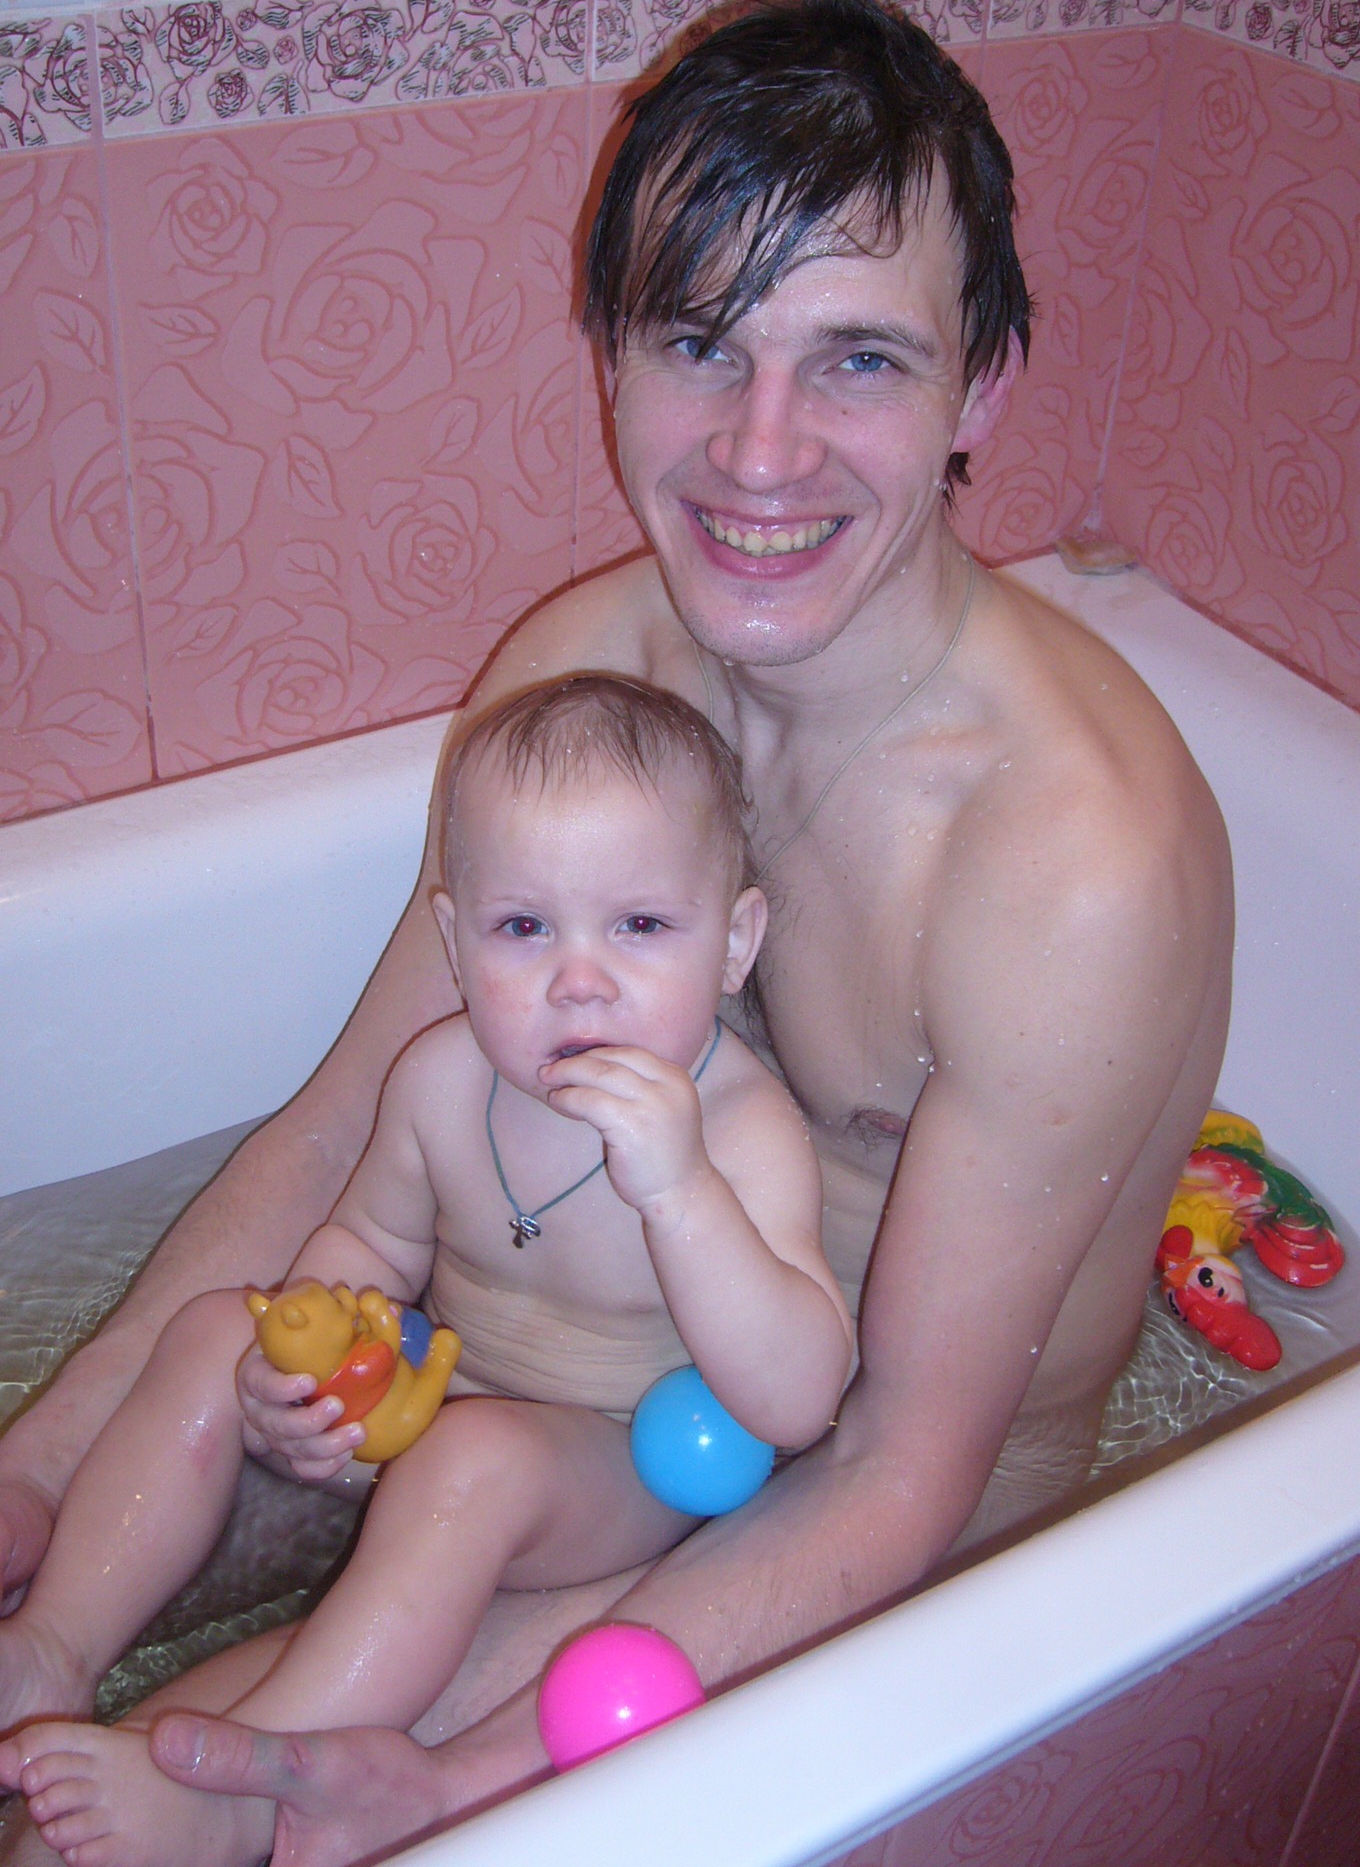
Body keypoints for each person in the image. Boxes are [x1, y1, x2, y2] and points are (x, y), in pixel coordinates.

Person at [0, 0, 1232, 1866]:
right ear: (610, 351)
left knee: (122, 1831)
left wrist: (471, 1773)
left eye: (859, 358)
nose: (760, 449)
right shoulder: (585, 676)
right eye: (697, 341)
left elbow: (899, 1461)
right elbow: (341, 1130)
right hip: (530, 1379)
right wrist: (33, 1481)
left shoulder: (1066, 862)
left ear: (981, 380)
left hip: (806, 1519)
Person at [0, 677, 852, 1867]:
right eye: (525, 928)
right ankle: (53, 1644)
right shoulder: (440, 1080)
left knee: (473, 1460)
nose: (579, 977)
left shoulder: (740, 1130)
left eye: (641, 925)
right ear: (454, 943)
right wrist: (293, 1368)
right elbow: (367, 1244)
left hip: (614, 1468)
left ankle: (248, 1772)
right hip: (438, 1400)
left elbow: (801, 1393)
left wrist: (681, 1193)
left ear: (734, 944)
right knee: (211, 1330)